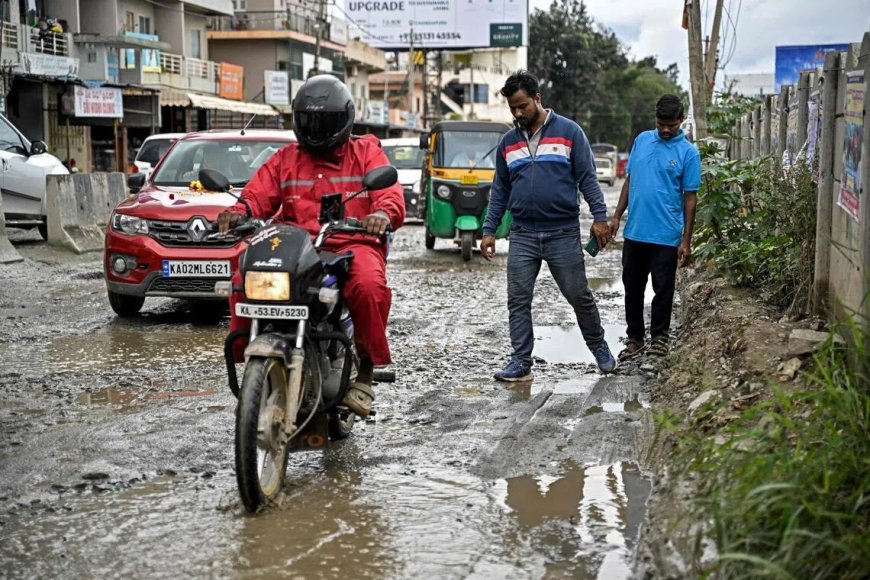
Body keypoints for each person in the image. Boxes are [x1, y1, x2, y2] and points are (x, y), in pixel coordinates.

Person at [217, 74, 405, 417]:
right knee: (244, 274)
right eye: (309, 121)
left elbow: (389, 194)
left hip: (352, 242)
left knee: (367, 285)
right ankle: (249, 358)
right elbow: (257, 195)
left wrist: (382, 213)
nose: (316, 129)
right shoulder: (285, 158)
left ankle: (365, 368)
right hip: (296, 243)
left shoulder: (365, 151)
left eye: (325, 122)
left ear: (343, 120)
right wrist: (238, 212)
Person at [481, 70, 616, 381]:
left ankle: (599, 348)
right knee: (517, 299)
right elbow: (500, 189)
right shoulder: (508, 143)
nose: (517, 113)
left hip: (562, 233)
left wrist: (599, 217)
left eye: (523, 106)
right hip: (523, 234)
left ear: (537, 98)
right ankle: (520, 361)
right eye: (512, 108)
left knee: (578, 295)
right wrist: (489, 230)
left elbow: (588, 179)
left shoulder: (570, 132)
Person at [608, 94, 701, 360]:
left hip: (666, 234)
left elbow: (690, 198)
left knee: (663, 289)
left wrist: (686, 240)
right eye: (661, 123)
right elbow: (630, 180)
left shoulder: (688, 153)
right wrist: (616, 216)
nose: (665, 129)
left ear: (681, 121)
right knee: (632, 287)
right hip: (635, 232)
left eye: (671, 124)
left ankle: (660, 338)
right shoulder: (641, 140)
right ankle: (635, 339)